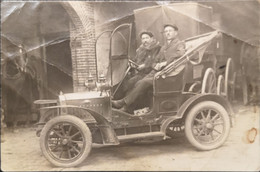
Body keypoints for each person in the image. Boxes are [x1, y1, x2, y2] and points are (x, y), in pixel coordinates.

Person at [112, 24, 185, 112]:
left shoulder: (179, 44)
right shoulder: (164, 46)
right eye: (166, 31)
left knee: (143, 82)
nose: (168, 33)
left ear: (176, 33)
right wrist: (156, 65)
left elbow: (181, 56)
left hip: (169, 75)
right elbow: (155, 60)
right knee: (138, 82)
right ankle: (126, 106)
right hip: (157, 73)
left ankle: (123, 103)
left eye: (170, 31)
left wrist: (165, 63)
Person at [121, 30, 161, 94]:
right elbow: (136, 60)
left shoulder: (158, 48)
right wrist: (133, 64)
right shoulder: (140, 50)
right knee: (128, 82)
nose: (145, 40)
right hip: (141, 74)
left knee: (135, 83)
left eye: (147, 38)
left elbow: (156, 61)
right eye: (143, 38)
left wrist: (145, 65)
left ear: (152, 39)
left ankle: (127, 102)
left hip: (150, 74)